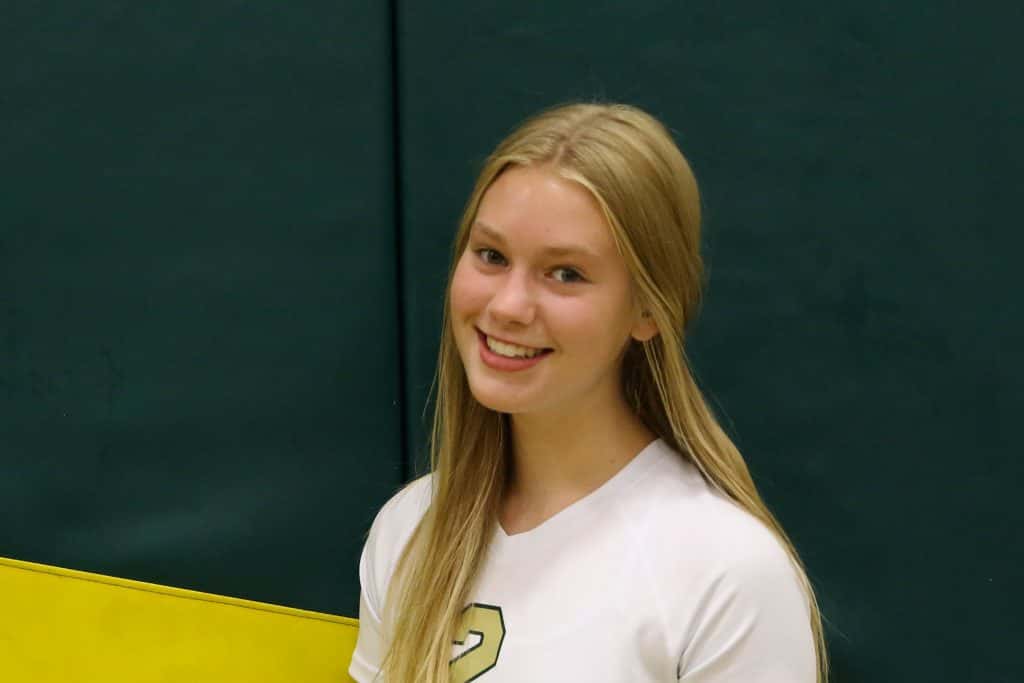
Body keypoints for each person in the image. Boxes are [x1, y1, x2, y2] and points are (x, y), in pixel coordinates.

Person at [348, 103, 827, 682]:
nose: (508, 306)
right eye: (492, 256)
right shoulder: (409, 529)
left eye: (566, 273)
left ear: (648, 310)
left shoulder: (727, 574)